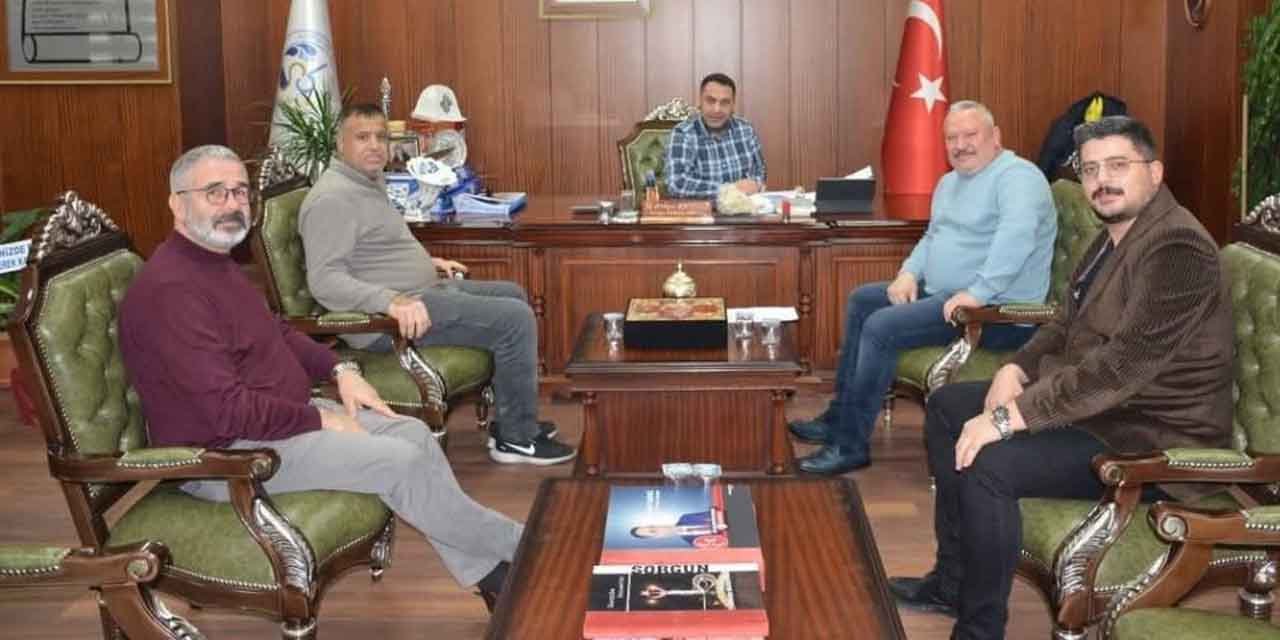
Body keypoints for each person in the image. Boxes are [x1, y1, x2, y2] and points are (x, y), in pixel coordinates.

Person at [117, 145, 523, 611]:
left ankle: (494, 578)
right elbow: (227, 411)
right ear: (177, 203)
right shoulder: (172, 291)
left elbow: (277, 331)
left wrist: (340, 370)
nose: (232, 204)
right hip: (229, 455)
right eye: (215, 192)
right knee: (401, 462)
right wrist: (321, 421)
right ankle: (528, 547)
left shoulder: (213, 263)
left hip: (280, 424)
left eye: (240, 192)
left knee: (413, 434)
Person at [889, 116, 1233, 640]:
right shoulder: (1113, 237)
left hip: (1150, 435)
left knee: (990, 463)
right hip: (1105, 411)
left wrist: (1008, 418)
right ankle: (951, 585)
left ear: (1155, 172)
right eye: (1091, 170)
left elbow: (1119, 367)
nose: (1102, 180)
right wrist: (1016, 368)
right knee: (947, 407)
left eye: (1118, 165)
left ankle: (978, 630)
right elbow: (1064, 323)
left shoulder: (1177, 250)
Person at [789, 100, 1057, 475]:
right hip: (947, 296)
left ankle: (849, 446)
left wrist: (978, 293)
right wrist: (908, 273)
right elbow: (933, 237)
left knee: (882, 326)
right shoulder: (950, 182)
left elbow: (1017, 241)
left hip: (996, 312)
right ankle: (839, 418)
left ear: (995, 136)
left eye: (970, 135)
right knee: (863, 300)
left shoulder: (1019, 178)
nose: (960, 145)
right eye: (951, 138)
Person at [299, 103, 575, 466]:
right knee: (515, 319)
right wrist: (392, 301)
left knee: (513, 294)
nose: (375, 146)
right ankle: (516, 439)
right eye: (362, 137)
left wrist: (429, 263)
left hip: (418, 295)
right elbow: (324, 281)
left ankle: (511, 419)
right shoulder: (332, 199)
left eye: (381, 137)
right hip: (389, 320)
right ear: (339, 143)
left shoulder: (365, 181)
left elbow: (373, 249)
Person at [664, 72, 766, 199]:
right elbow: (677, 185)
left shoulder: (746, 130)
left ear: (733, 105)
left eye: (725, 102)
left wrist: (756, 184)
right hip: (703, 210)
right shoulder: (683, 133)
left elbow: (759, 171)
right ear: (700, 102)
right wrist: (729, 190)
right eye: (710, 101)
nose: (717, 109)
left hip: (744, 207)